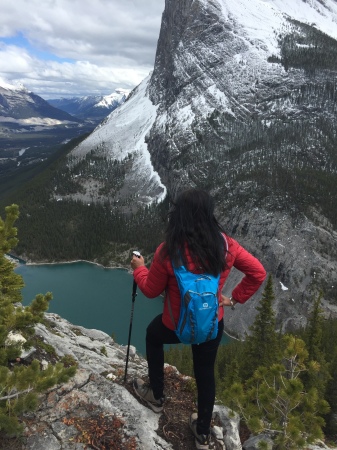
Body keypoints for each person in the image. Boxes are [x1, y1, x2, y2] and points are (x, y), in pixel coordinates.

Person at [131, 189, 266, 450]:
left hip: (175, 325)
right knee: (205, 374)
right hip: (212, 325)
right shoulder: (226, 246)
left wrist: (139, 269)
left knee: (152, 334)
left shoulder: (168, 251)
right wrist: (234, 299)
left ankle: (156, 395)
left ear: (178, 215)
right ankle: (202, 432)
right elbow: (258, 273)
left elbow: (149, 290)